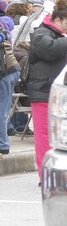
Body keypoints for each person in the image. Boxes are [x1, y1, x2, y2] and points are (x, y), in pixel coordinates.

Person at [26, 0, 67, 183]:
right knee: (44, 136)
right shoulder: (41, 34)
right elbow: (50, 50)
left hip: (56, 91)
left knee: (59, 135)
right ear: (57, 20)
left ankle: (57, 173)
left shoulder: (60, 36)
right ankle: (45, 175)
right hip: (42, 92)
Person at [0, 12, 19, 155]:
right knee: (3, 108)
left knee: (2, 110)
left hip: (5, 72)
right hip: (11, 70)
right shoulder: (3, 24)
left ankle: (3, 144)